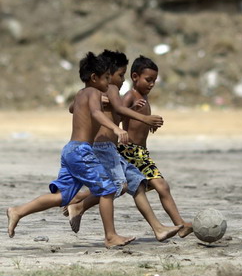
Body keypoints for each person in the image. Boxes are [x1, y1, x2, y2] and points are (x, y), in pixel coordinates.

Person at [6, 52, 135, 248]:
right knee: (108, 189)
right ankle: (110, 236)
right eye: (106, 78)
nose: (109, 83)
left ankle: (18, 211)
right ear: (94, 78)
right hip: (81, 152)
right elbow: (95, 113)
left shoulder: (81, 94)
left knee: (64, 196)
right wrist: (116, 128)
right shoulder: (93, 93)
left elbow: (72, 108)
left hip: (70, 151)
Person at [63, 50, 182, 242]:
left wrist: (122, 110)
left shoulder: (108, 91)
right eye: (120, 75)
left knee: (137, 184)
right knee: (118, 186)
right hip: (103, 147)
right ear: (108, 74)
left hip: (111, 148)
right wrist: (144, 118)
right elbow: (106, 109)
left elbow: (116, 112)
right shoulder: (108, 89)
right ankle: (85, 211)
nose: (121, 79)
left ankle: (158, 228)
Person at [118, 55, 193, 238]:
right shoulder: (130, 96)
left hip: (141, 152)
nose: (151, 84)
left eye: (154, 81)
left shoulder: (143, 97)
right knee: (160, 186)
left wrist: (149, 125)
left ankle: (79, 205)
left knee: (123, 188)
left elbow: (138, 123)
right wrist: (134, 111)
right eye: (148, 80)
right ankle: (180, 224)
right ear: (135, 77)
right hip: (131, 152)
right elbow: (117, 115)